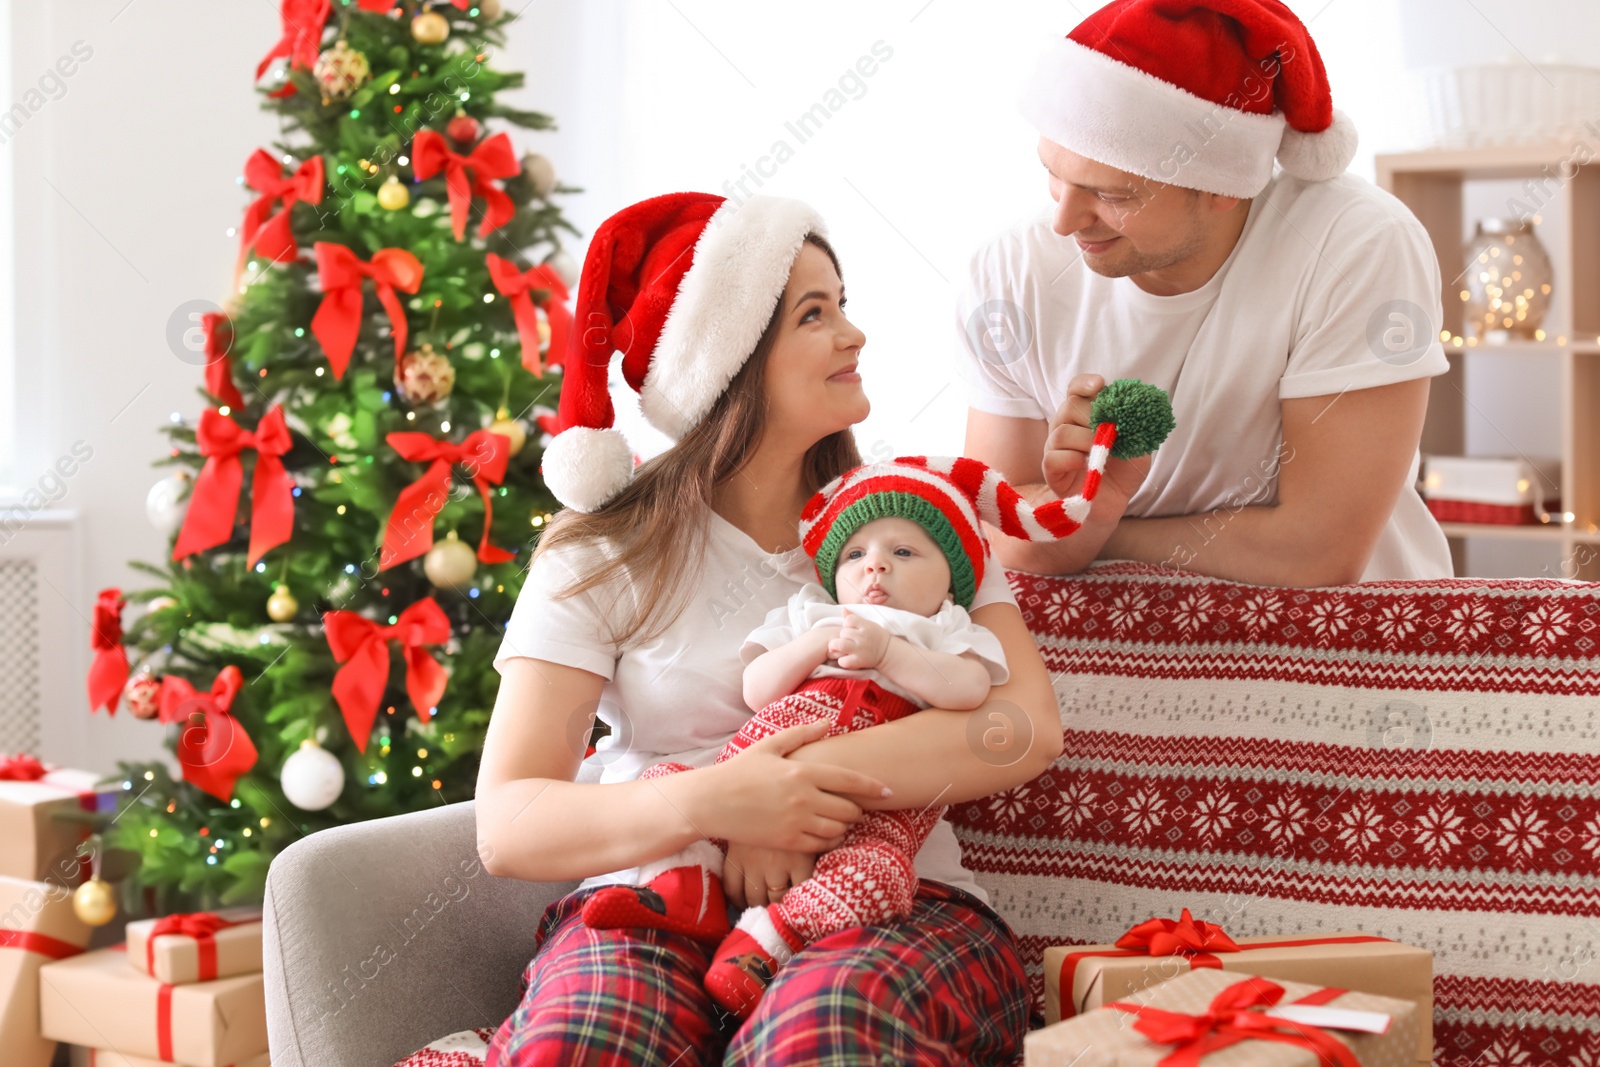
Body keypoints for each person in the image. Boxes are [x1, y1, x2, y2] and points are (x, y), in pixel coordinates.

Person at [475, 191, 1059, 1066]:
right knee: (580, 1044)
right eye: (813, 315)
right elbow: (512, 822)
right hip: (653, 902)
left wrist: (790, 790)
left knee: (824, 1036)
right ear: (729, 362)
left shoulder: (910, 523)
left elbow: (1024, 728)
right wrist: (711, 802)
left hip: (889, 902)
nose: (854, 336)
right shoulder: (602, 550)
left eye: (844, 304)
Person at [578, 454, 1113, 1023]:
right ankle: (686, 892)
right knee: (669, 786)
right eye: (856, 556)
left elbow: (969, 689)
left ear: (952, 579)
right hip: (746, 776)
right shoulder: (811, 613)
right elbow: (759, 688)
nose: (875, 567)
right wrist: (813, 644)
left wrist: (890, 654)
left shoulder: (946, 627)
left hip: (873, 812)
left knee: (874, 875)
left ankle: (767, 941)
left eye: (903, 553)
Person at [958, 0, 1454, 587]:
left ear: (1222, 186)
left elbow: (1317, 554)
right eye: (1054, 174)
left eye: (1112, 194)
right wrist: (1075, 512)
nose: (1064, 222)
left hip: (1343, 649)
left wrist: (1093, 526)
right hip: (1105, 651)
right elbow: (991, 532)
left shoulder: (1358, 245)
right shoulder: (1010, 268)